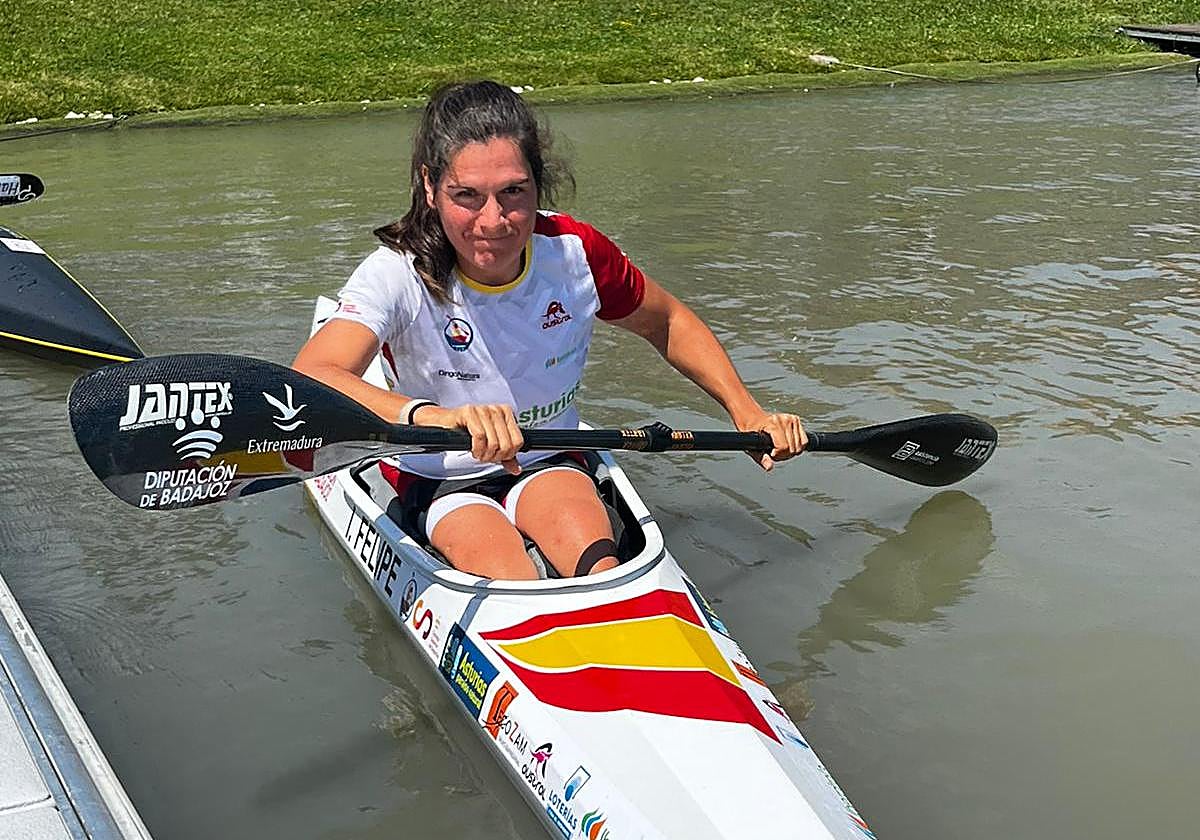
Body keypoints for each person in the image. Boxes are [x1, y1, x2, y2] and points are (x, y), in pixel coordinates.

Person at [293, 79, 806, 581]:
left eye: (513, 192)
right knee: (510, 577)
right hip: (439, 472)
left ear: (537, 183)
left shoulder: (575, 252)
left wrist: (746, 411)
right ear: (430, 187)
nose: (493, 221)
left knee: (600, 568)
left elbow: (668, 322)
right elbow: (313, 375)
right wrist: (435, 416)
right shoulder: (396, 272)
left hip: (549, 453)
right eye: (466, 195)